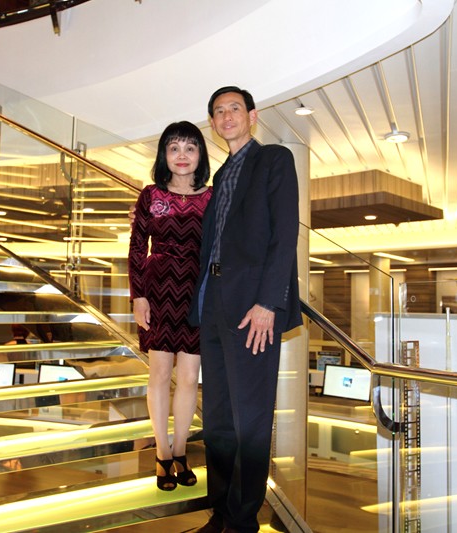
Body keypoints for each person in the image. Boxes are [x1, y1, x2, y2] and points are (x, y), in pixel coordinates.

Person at [188, 86, 302, 533]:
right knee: (217, 418)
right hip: (213, 303)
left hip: (253, 306)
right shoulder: (219, 177)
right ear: (213, 123)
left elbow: (284, 234)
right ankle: (221, 511)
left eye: (234, 108)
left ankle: (242, 520)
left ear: (252, 116)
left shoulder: (273, 159)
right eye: (218, 111)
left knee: (250, 418)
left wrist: (268, 302)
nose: (227, 116)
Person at [128, 121, 212, 491]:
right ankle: (162, 452)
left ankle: (181, 450)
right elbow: (136, 248)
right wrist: (138, 296)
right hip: (157, 289)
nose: (182, 155)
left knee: (190, 378)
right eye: (174, 147)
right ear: (164, 154)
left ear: (200, 155)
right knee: (160, 374)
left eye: (190, 147)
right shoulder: (150, 195)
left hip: (197, 292)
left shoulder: (213, 197)